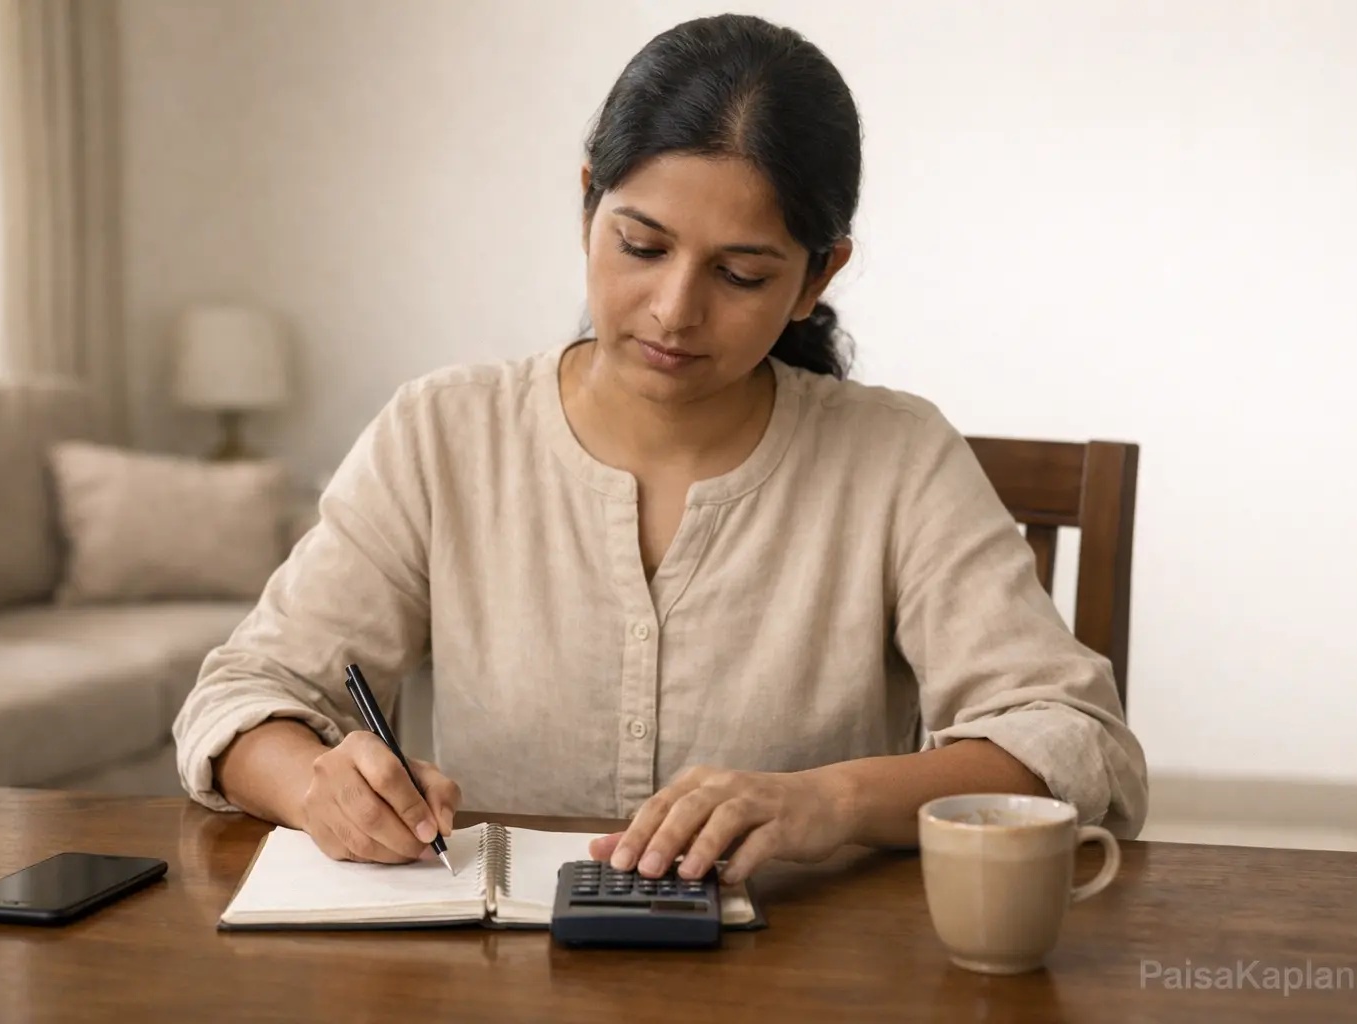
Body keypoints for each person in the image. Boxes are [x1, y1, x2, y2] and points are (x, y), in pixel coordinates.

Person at [172, 13, 1147, 886]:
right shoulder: (442, 432)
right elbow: (244, 696)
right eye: (642, 245)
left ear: (817, 277)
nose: (675, 311)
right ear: (588, 203)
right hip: (496, 981)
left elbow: (1073, 742)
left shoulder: (896, 458)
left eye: (740, 272)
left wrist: (824, 802)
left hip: (810, 980)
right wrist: (318, 786)